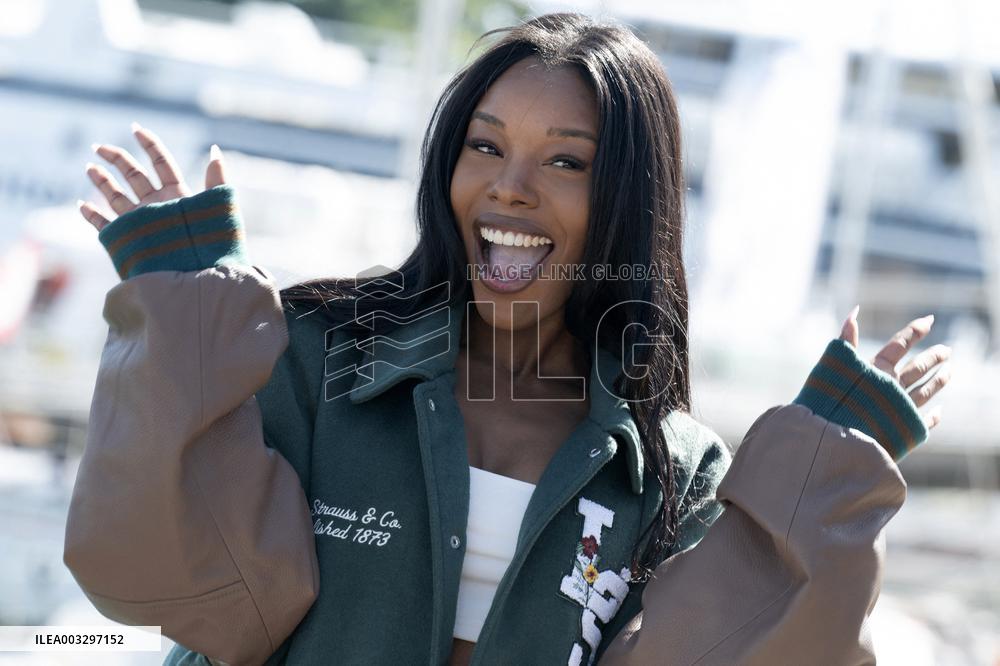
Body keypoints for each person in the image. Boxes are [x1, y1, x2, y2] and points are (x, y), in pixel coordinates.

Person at [64, 12, 952, 666]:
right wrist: (185, 312)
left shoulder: (676, 475)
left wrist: (818, 478)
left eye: (566, 161)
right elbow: (187, 587)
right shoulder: (317, 355)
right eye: (485, 148)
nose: (511, 189)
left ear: (627, 204)